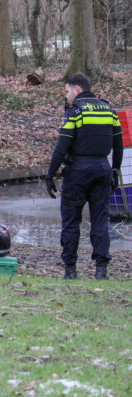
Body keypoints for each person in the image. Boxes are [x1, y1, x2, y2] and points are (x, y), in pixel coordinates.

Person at [45, 73, 123, 280]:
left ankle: (70, 270)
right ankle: (101, 270)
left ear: (77, 89)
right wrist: (114, 170)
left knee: (71, 222)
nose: (67, 95)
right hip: (101, 169)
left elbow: (61, 147)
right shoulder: (109, 110)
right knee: (100, 220)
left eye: (67, 91)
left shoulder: (74, 112)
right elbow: (118, 145)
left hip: (77, 171)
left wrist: (50, 175)